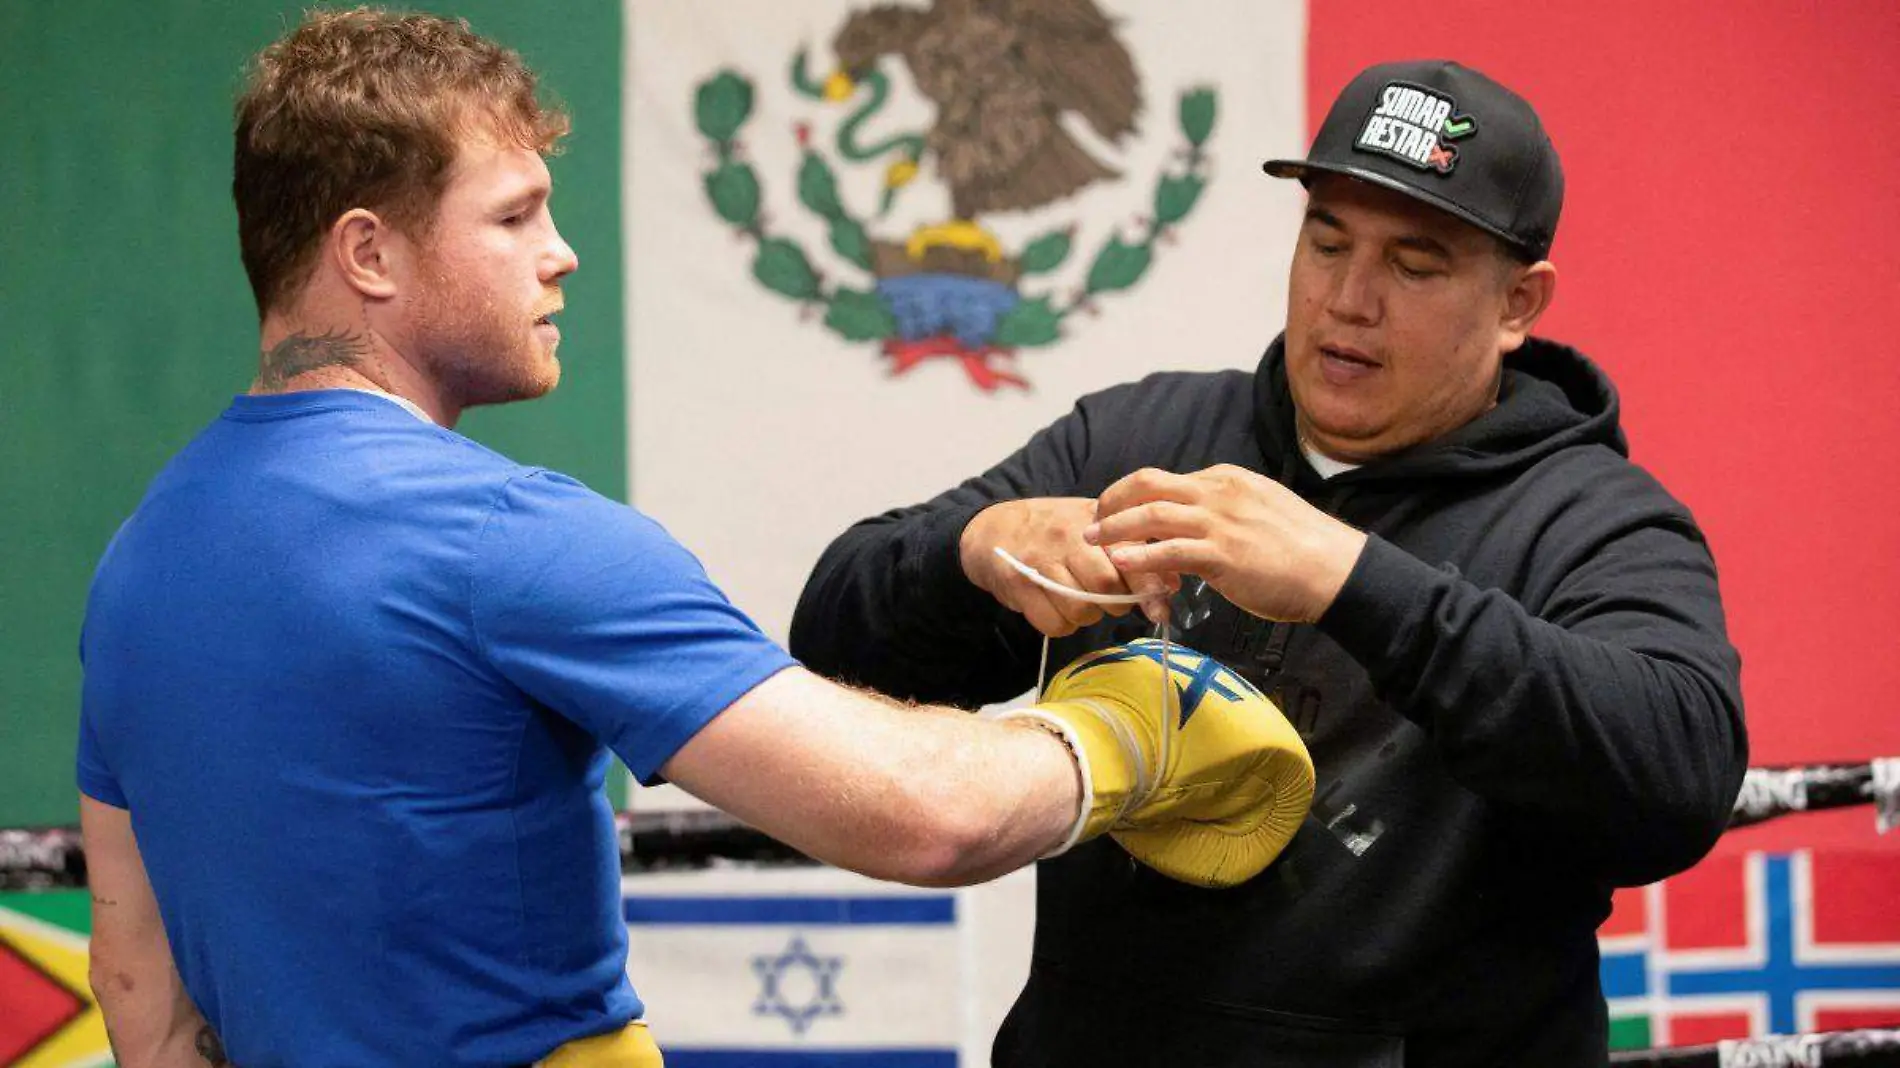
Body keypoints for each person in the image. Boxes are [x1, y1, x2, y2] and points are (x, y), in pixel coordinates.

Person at [73, 10, 1313, 1068]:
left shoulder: (142, 557)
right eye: (513, 218)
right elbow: (921, 816)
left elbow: (144, 1003)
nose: (559, 255)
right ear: (369, 253)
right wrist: (1132, 731)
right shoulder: (509, 540)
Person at [791, 59, 1749, 1067]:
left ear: (1518, 302)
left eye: (1412, 266)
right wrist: (967, 556)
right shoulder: (1140, 436)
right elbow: (833, 645)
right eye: (1324, 241)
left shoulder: (1593, 518)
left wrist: (1355, 580)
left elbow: (1676, 781)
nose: (1347, 299)